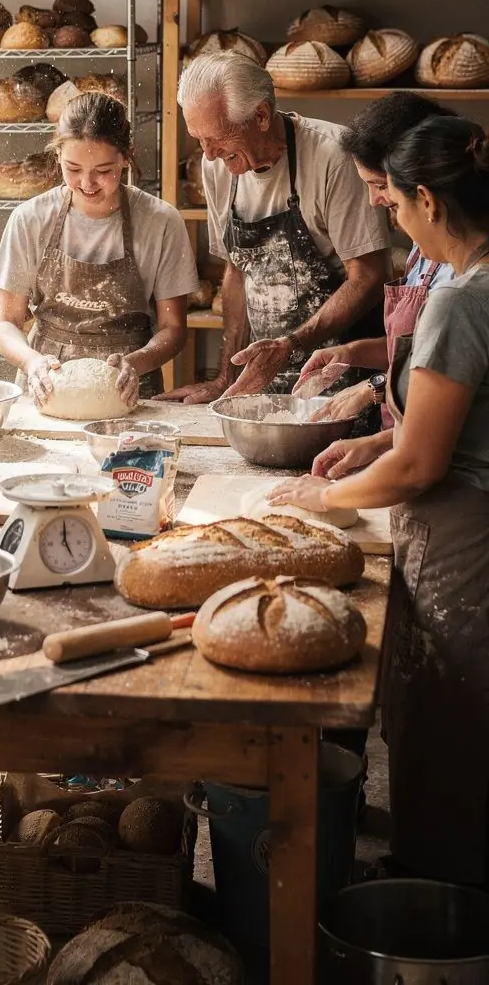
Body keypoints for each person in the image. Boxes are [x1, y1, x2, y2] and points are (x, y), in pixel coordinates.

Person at [269, 115, 489, 886]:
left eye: (392, 206)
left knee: (446, 729)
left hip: (464, 541)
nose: (391, 222)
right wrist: (374, 448)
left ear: (427, 200)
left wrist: (324, 498)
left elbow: (421, 464)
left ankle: (437, 904)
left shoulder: (463, 299)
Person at [159, 53, 390, 402]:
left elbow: (369, 278)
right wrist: (226, 379)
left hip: (345, 380)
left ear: (261, 115)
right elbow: (236, 271)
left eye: (216, 138)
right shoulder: (217, 167)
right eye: (198, 139)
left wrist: (292, 345)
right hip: (265, 378)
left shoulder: (333, 156)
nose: (207, 154)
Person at [0, 93, 199, 404]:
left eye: (103, 171)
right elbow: (6, 324)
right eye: (73, 168)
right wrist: (32, 362)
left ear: (126, 157)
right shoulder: (30, 219)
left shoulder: (161, 221)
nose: (87, 183)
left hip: (128, 385)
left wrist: (135, 364)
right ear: (57, 154)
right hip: (48, 384)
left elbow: (173, 329)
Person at [295, 93, 457, 479]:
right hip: (404, 449)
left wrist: (372, 388)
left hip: (444, 470)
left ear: (421, 184)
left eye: (380, 184)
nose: (372, 200)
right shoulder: (423, 245)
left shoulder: (466, 272)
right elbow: (414, 350)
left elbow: (451, 388)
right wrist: (348, 354)